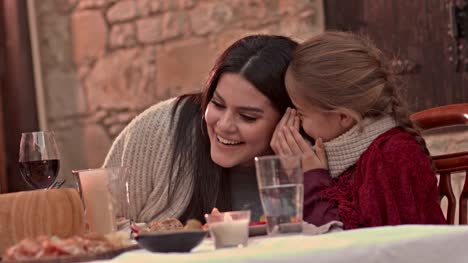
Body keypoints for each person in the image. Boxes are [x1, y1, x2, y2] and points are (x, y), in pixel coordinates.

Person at [103, 35, 298, 223]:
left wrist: (307, 173)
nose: (223, 125)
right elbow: (105, 231)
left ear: (291, 117)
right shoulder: (160, 130)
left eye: (247, 117)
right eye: (217, 104)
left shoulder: (319, 153)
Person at [270, 31, 446, 229]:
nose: (296, 126)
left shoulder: (392, 156)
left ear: (344, 117)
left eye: (301, 115)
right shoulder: (343, 157)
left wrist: (313, 180)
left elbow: (358, 247)